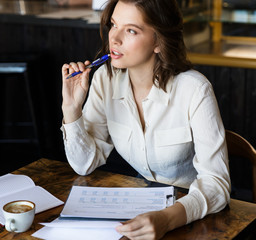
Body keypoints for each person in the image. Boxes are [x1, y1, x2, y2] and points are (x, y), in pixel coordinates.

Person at [60, 0, 231, 239]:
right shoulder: (104, 80)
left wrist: (167, 219)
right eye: (113, 25)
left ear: (158, 41)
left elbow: (217, 184)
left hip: (195, 212)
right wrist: (71, 108)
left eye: (131, 30)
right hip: (143, 204)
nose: (115, 39)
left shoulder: (194, 89)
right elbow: (84, 164)